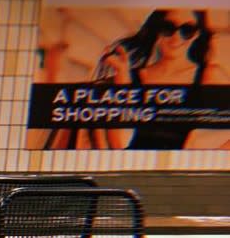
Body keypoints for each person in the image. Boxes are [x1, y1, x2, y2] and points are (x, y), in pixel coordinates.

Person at [95, 8, 230, 149]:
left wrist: (207, 158)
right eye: (168, 28)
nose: (176, 37)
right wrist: (122, 75)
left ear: (197, 34)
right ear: (157, 29)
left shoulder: (209, 75)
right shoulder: (131, 76)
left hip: (179, 168)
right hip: (135, 165)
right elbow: (119, 144)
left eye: (187, 30)